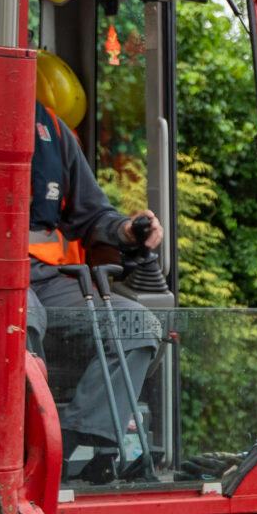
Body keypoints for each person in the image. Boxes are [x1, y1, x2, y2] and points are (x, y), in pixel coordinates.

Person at [25, 51, 164, 479]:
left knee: (140, 326)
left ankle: (78, 440)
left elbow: (91, 215)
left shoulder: (54, 133)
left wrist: (126, 229)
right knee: (16, 321)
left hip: (49, 280)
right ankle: (21, 447)